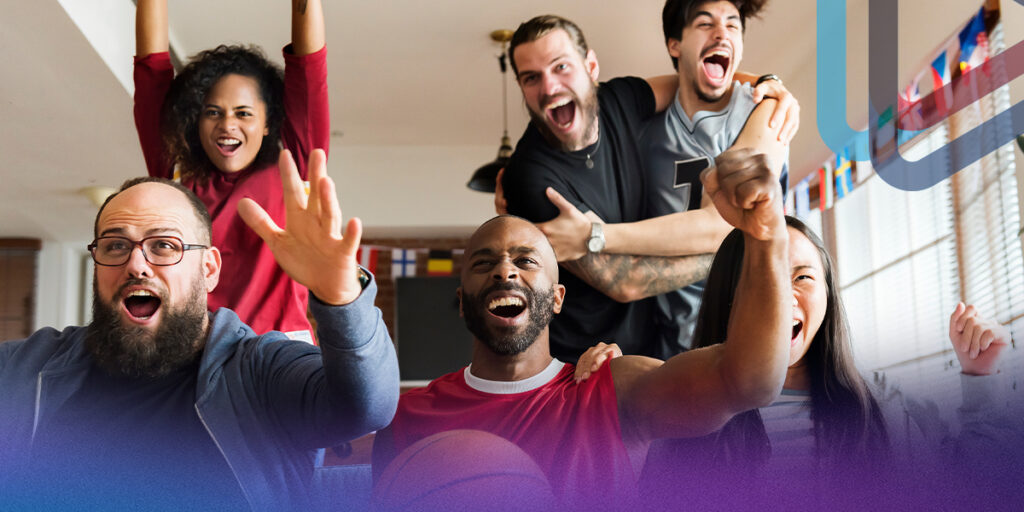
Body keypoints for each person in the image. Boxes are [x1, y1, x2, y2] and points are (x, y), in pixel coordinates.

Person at [372, 148, 793, 511]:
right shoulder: (408, 415)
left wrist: (766, 238)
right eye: (484, 263)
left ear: (557, 298)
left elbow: (747, 382)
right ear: (463, 303)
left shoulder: (612, 389)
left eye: (526, 261)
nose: (505, 271)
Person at [0, 149, 399, 511]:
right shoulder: (24, 369)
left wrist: (341, 297)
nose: (136, 264)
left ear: (208, 269)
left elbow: (366, 406)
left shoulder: (260, 370)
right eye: (115, 246)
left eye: (164, 246)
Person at [576, 213, 1016, 510]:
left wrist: (980, 376)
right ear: (726, 298)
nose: (781, 298)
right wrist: (610, 399)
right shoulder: (679, 406)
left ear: (827, 296)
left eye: (803, 277)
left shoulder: (885, 404)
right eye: (758, 280)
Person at [498, 14, 795, 361]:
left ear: (591, 67)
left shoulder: (618, 99)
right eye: (532, 78)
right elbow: (628, 281)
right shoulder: (531, 176)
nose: (549, 88)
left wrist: (766, 84)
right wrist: (733, 248)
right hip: (581, 364)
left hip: (653, 349)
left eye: (561, 67)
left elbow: (695, 81)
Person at [133, 0, 328, 340]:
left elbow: (309, 67)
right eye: (212, 112)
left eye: (243, 113)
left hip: (280, 349)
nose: (227, 125)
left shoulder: (295, 166)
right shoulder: (175, 170)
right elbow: (151, 72)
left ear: (269, 122)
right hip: (195, 351)